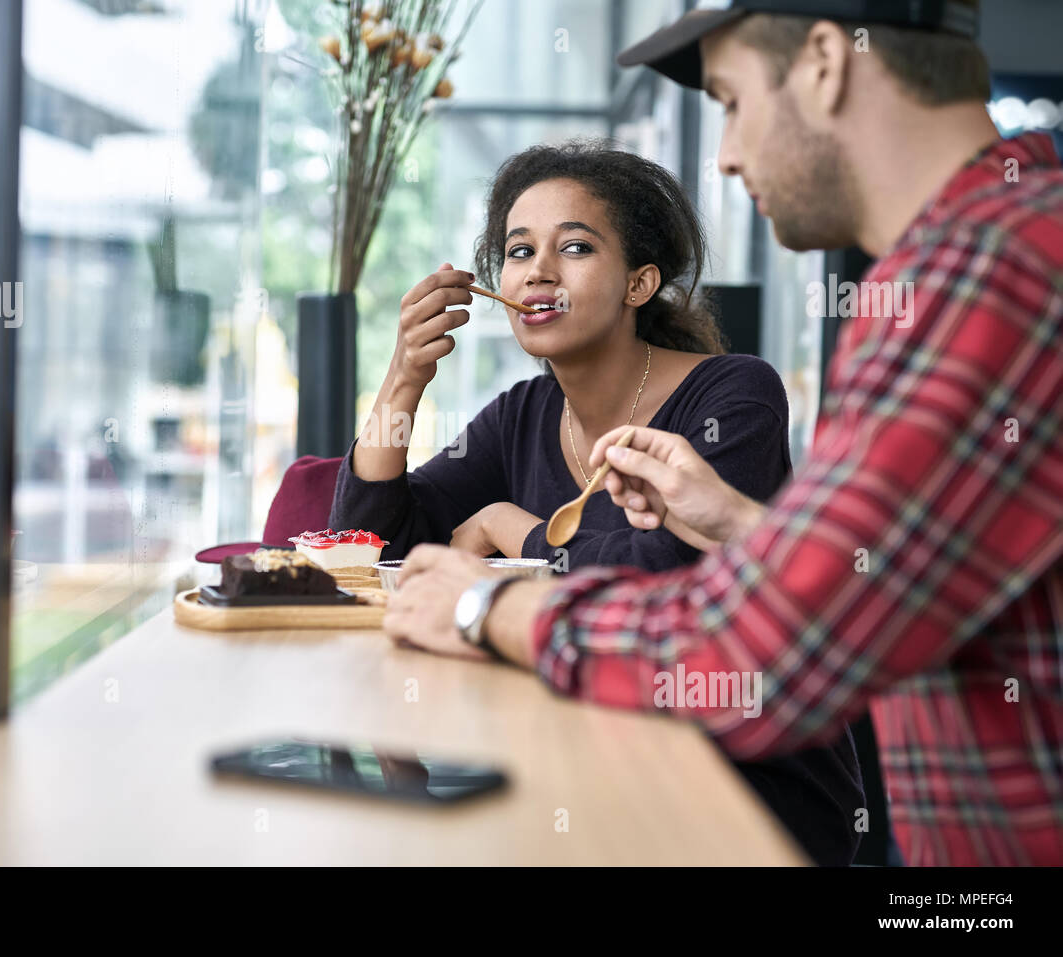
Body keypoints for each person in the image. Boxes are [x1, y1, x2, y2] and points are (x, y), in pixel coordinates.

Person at [385, 0, 1063, 866]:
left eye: (735, 102)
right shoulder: (994, 251)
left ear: (826, 61)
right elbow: (882, 587)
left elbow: (758, 652)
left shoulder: (985, 279)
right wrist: (744, 525)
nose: (729, 153)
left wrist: (486, 603)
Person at [333, 142, 864, 864]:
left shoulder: (735, 394)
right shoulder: (523, 412)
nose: (538, 270)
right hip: (585, 774)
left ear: (639, 283)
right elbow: (371, 548)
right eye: (518, 251)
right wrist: (400, 382)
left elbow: (661, 576)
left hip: (744, 794)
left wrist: (509, 528)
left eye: (575, 246)